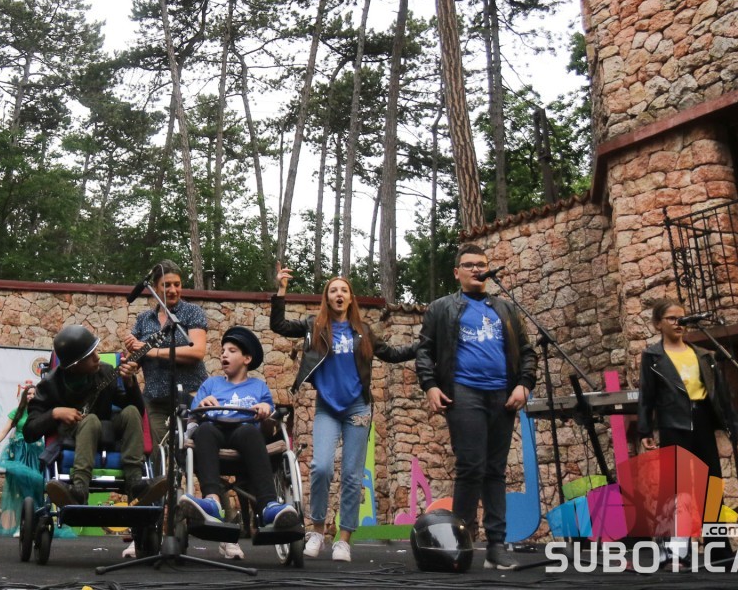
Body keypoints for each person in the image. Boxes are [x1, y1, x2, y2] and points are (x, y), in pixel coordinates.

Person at [271, 264, 418, 563]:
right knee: (321, 467)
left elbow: (392, 354)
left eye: (344, 291)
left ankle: (344, 540)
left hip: (357, 408)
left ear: (351, 298)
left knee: (352, 475)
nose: (339, 294)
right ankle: (317, 531)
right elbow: (280, 326)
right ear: (327, 298)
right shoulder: (314, 326)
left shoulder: (363, 332)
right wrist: (281, 290)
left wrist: (423, 346)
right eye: (333, 290)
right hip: (327, 407)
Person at [415, 243, 536, 571]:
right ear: (457, 272)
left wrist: (524, 384)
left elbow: (527, 350)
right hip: (463, 392)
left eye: (481, 264)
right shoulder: (441, 308)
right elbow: (425, 351)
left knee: (495, 470)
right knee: (471, 466)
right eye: (469, 265)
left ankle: (496, 546)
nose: (476, 269)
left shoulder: (506, 309)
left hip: (502, 395)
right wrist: (430, 385)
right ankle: (462, 542)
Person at [637, 298, 738, 557]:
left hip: (702, 422)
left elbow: (722, 398)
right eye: (672, 318)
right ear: (658, 324)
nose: (679, 323)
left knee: (711, 485)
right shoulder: (652, 356)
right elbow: (647, 394)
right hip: (672, 424)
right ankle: (673, 553)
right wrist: (645, 429)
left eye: (682, 318)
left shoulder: (703, 355)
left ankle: (718, 550)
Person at [179, 326, 301, 560]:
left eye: (232, 350)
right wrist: (202, 404)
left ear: (247, 359)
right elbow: (192, 419)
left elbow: (271, 428)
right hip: (213, 431)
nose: (224, 354)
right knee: (204, 430)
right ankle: (212, 501)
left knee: (250, 432)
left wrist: (266, 411)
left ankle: (268, 506)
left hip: (245, 435)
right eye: (223, 351)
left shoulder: (259, 387)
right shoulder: (211, 384)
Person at [23, 324, 165, 508]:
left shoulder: (105, 371)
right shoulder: (49, 385)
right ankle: (79, 490)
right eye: (90, 356)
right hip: (73, 435)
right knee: (90, 420)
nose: (97, 358)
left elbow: (137, 409)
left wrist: (129, 382)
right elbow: (29, 431)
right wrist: (56, 413)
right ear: (74, 366)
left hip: (107, 431)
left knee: (130, 412)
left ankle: (135, 484)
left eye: (95, 351)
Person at [122, 259, 208, 470]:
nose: (173, 290)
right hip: (155, 400)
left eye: (177, 284)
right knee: (155, 455)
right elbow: (135, 361)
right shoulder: (144, 319)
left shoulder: (191, 312)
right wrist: (132, 351)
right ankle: (158, 491)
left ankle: (209, 491)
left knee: (191, 455)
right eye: (166, 285)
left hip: (189, 395)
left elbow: (197, 351)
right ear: (155, 287)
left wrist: (153, 351)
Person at [0, 382, 43, 536]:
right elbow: (4, 431)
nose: (31, 396)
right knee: (20, 488)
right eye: (28, 394)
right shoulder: (17, 412)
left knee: (34, 487)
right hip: (18, 453)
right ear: (24, 396)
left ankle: (35, 525)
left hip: (35, 454)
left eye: (34, 394)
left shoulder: (42, 412)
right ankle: (22, 526)